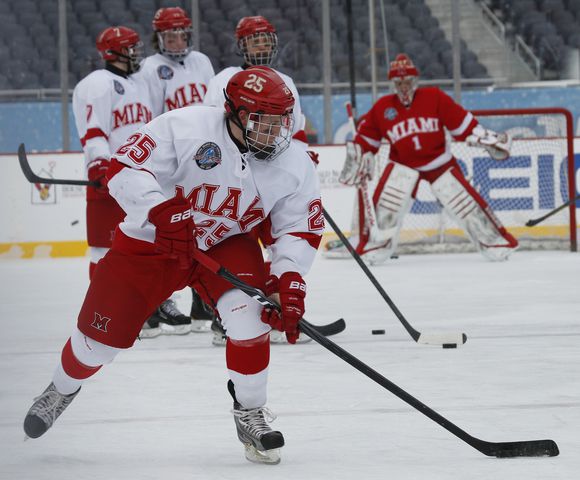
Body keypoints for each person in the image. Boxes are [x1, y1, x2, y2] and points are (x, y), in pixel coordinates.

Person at [23, 66, 324, 466]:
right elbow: (124, 167)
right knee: (97, 343)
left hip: (224, 242)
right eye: (262, 121)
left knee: (251, 320)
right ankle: (61, 388)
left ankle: (250, 412)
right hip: (152, 241)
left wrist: (288, 280)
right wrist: (158, 209)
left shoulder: (293, 161)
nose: (274, 133)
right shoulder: (185, 126)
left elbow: (299, 227)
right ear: (233, 113)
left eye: (280, 122)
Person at [325, 53, 518, 264]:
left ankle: (495, 243)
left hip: (440, 163)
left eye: (407, 81)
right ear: (392, 83)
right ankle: (374, 247)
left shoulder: (434, 97)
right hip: (403, 165)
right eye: (399, 82)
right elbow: (366, 140)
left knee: (466, 205)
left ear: (415, 80)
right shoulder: (383, 107)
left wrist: (483, 137)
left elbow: (462, 124)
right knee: (386, 208)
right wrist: (361, 156)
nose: (404, 86)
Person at [204, 16, 315, 344]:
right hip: (235, 177)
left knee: (280, 244)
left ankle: (276, 307)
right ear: (242, 45)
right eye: (255, 41)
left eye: (267, 40)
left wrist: (302, 164)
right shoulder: (225, 78)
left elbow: (294, 130)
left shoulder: (285, 80)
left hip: (271, 180)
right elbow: (216, 126)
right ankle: (222, 318)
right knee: (230, 246)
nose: (262, 46)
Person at [139, 6, 216, 334]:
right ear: (158, 38)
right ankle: (154, 302)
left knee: (208, 224)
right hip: (171, 156)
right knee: (169, 231)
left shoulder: (201, 61)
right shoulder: (150, 68)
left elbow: (215, 107)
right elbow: (149, 115)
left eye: (180, 34)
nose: (175, 40)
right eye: (168, 35)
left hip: (205, 155)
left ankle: (202, 304)